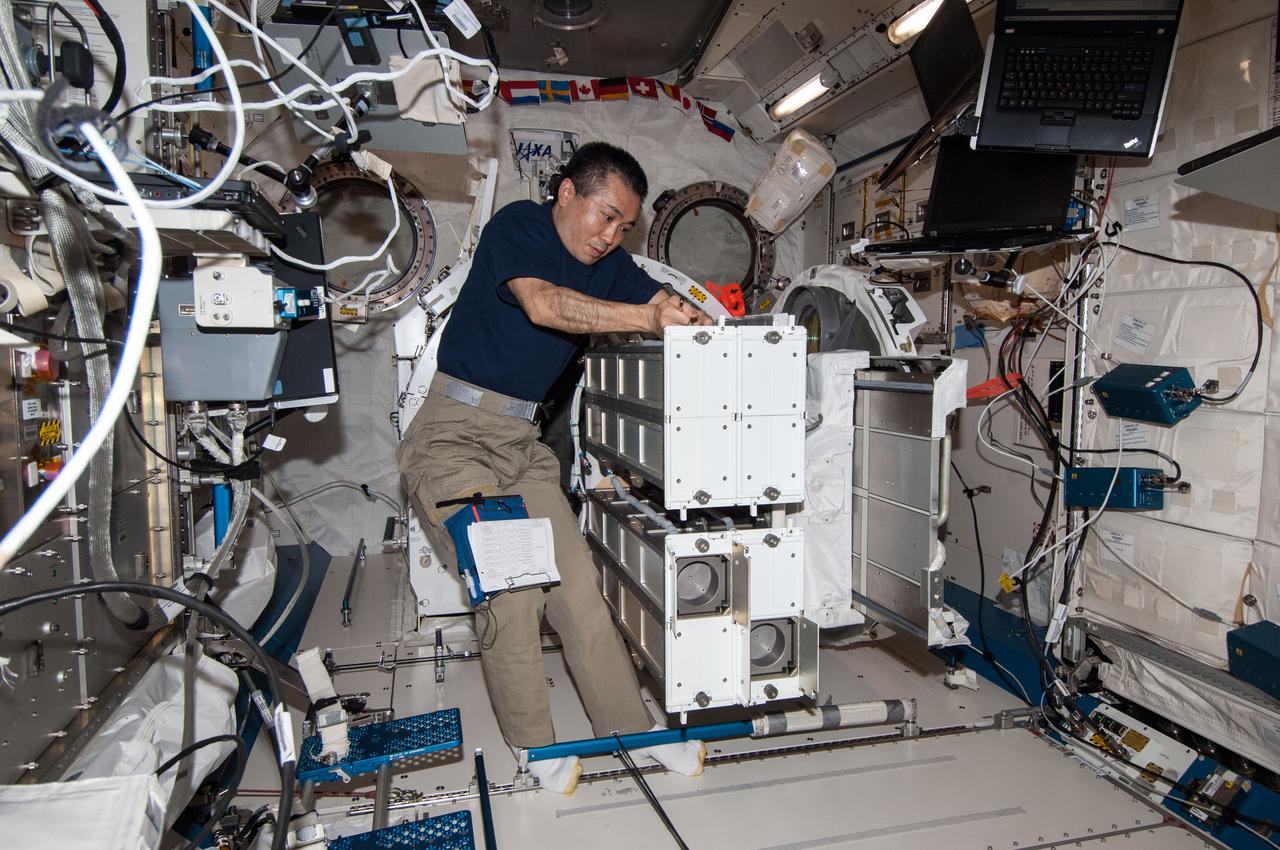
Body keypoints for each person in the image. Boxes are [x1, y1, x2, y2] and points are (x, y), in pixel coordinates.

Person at [397, 142, 711, 794]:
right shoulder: (521, 227)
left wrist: (699, 323)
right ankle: (534, 748)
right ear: (567, 193)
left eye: (625, 226)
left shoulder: (613, 265)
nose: (611, 236)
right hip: (453, 442)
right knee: (511, 594)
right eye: (605, 216)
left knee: (580, 597)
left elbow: (668, 304)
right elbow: (544, 306)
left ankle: (636, 733)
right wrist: (647, 317)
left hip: (523, 446)